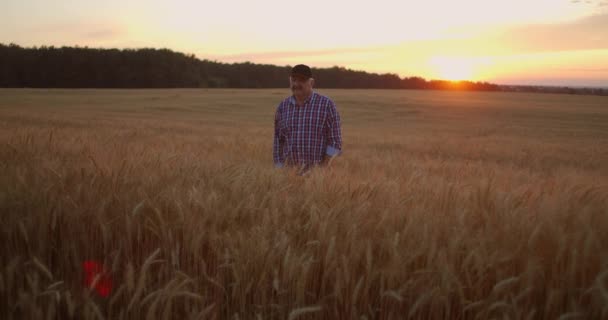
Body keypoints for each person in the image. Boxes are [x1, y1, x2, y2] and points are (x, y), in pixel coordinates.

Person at [273, 64, 342, 175]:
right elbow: (278, 141)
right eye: (293, 80)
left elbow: (335, 142)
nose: (296, 84)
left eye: (302, 80)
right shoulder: (282, 107)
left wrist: (322, 169)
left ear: (312, 82)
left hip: (318, 178)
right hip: (288, 177)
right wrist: (280, 170)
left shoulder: (326, 105)